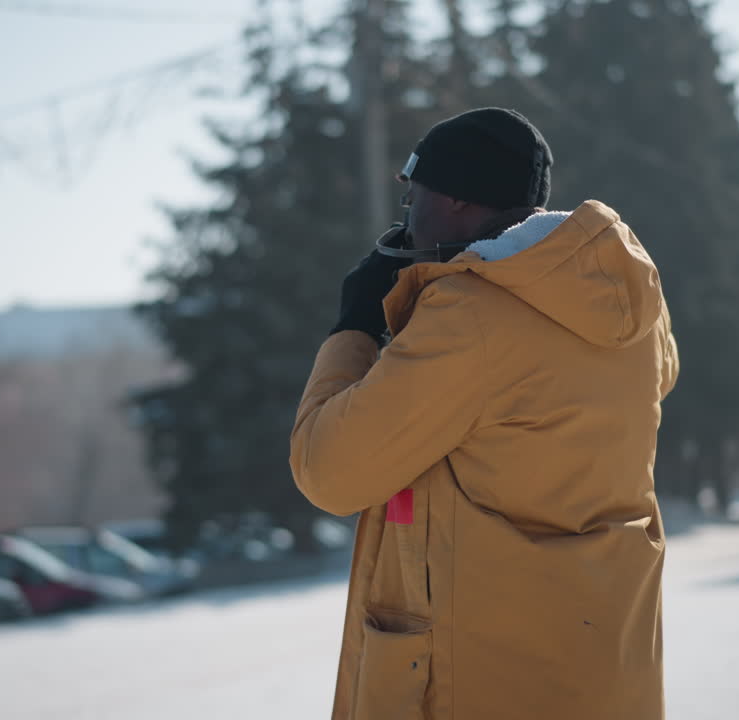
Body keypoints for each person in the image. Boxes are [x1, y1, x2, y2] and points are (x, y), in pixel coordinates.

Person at [289, 107, 679, 719]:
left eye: (413, 198)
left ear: (457, 204)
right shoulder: (630, 302)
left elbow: (328, 470)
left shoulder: (470, 318)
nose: (406, 220)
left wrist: (355, 327)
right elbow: (656, 376)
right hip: (603, 670)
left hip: (483, 681)